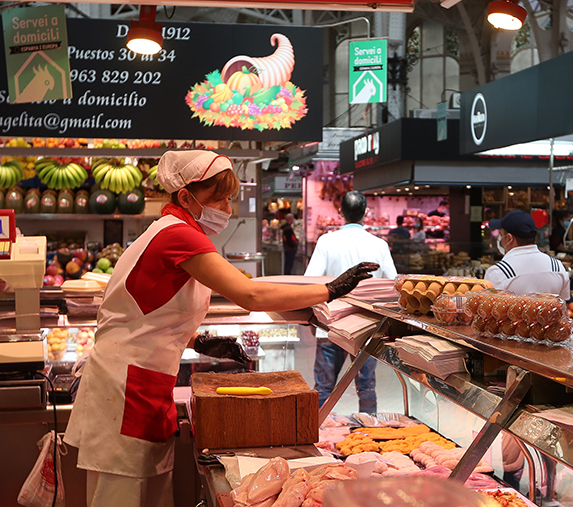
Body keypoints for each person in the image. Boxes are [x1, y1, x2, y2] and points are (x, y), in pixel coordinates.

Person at [63, 151, 378, 507]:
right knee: (119, 498)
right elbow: (250, 294)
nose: (228, 209)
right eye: (220, 199)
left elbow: (149, 312)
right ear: (185, 197)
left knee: (147, 496)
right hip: (125, 389)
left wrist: (201, 341)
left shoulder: (170, 230)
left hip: (140, 382)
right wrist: (330, 290)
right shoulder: (178, 235)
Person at [305, 191, 398, 413]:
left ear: (341, 212)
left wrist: (311, 318)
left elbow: (310, 281)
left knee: (324, 387)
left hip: (330, 325)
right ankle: (366, 433)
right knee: (366, 387)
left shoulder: (326, 241)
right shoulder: (379, 245)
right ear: (366, 212)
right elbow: (394, 284)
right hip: (367, 328)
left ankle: (318, 433)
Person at [485, 210, 570, 300]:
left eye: (501, 234)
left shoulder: (498, 272)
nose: (500, 239)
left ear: (509, 238)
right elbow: (564, 306)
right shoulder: (557, 267)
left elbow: (490, 311)